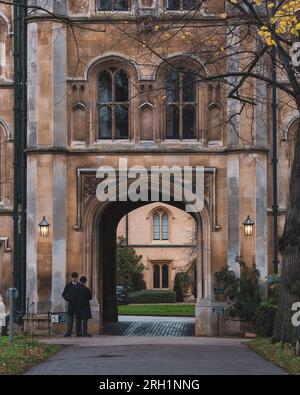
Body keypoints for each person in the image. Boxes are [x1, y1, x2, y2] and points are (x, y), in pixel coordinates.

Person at [62, 272, 81, 337]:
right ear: (71, 278)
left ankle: (78, 333)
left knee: (78, 319)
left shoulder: (79, 285)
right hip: (71, 305)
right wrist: (68, 299)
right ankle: (68, 332)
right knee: (70, 320)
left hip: (78, 305)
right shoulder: (68, 285)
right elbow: (64, 294)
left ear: (77, 278)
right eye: (73, 278)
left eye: (75, 278)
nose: (74, 279)